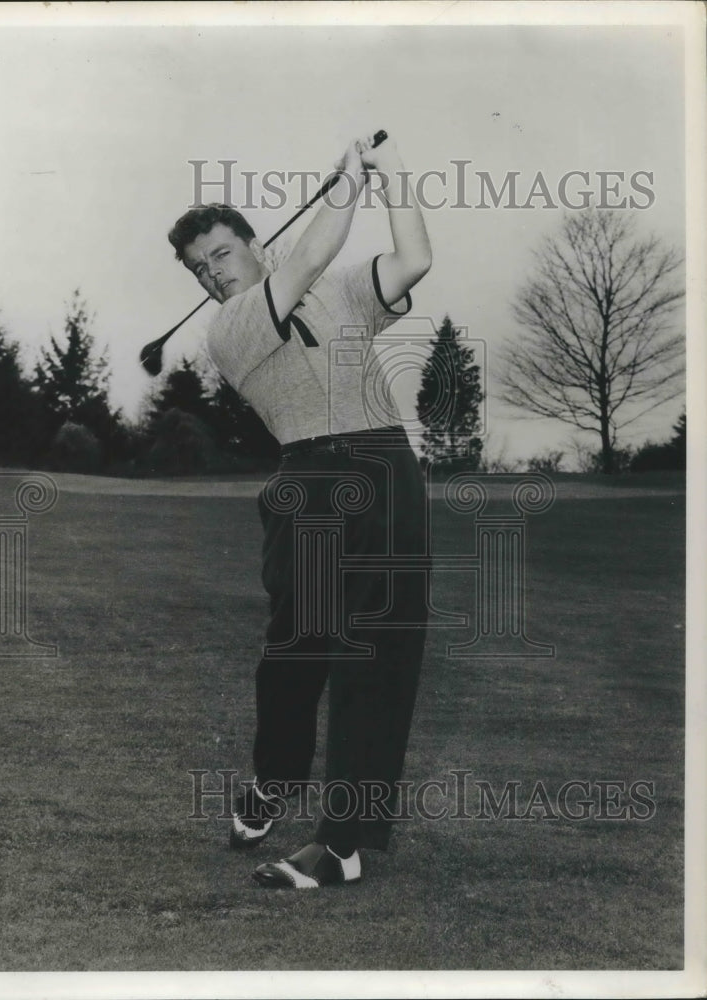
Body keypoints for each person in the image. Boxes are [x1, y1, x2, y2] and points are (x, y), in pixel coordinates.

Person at [168, 133, 432, 889]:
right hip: (307, 477)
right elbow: (310, 257)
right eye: (199, 267)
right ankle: (274, 776)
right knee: (295, 649)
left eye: (220, 254)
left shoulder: (336, 290)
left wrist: (390, 176)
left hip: (386, 466)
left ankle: (342, 843)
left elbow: (411, 262)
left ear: (255, 245)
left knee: (376, 654)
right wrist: (346, 187)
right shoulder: (232, 325)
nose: (211, 274)